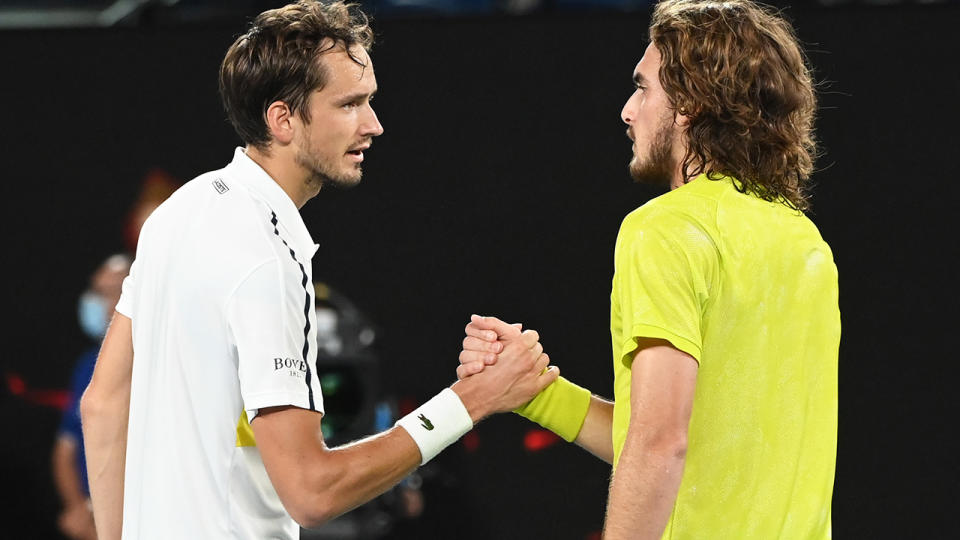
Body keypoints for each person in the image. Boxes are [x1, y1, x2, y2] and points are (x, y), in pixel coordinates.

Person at [79, 2, 556, 539]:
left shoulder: (179, 212)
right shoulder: (267, 256)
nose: (373, 125)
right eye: (350, 105)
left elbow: (102, 405)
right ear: (283, 119)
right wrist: (471, 401)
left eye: (369, 101)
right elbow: (312, 491)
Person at [459, 1, 840, 538]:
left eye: (643, 88)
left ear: (688, 103)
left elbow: (660, 442)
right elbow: (691, 445)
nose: (627, 110)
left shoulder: (664, 229)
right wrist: (537, 392)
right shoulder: (806, 241)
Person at [52, 254, 131, 540]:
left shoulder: (151, 363)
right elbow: (66, 446)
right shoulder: (86, 364)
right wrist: (78, 508)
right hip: (93, 516)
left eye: (109, 292)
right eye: (96, 291)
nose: (97, 302)